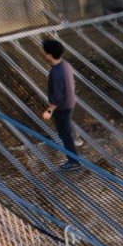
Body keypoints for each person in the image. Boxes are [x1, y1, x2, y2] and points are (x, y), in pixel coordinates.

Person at [40, 38, 81, 171]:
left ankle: (73, 161)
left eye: (45, 52)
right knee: (67, 125)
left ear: (49, 55)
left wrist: (49, 111)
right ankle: (76, 139)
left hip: (62, 107)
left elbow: (58, 97)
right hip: (70, 102)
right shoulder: (65, 65)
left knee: (64, 134)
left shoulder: (56, 72)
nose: (44, 54)